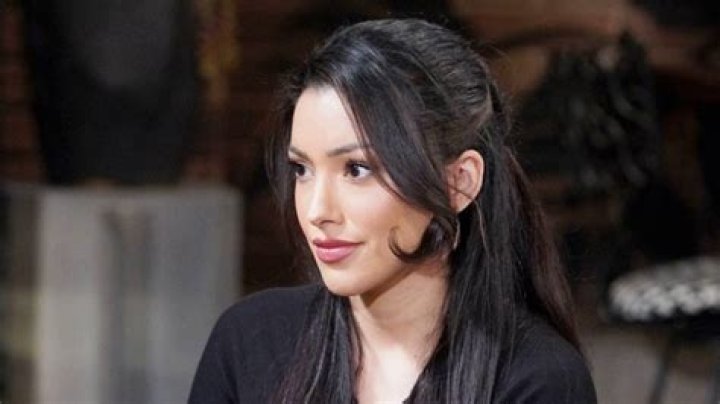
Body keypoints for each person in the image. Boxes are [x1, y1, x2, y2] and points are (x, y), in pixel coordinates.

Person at [188, 19, 597, 404]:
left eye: (357, 170)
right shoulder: (248, 342)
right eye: (302, 169)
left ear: (459, 182)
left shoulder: (535, 379)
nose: (316, 210)